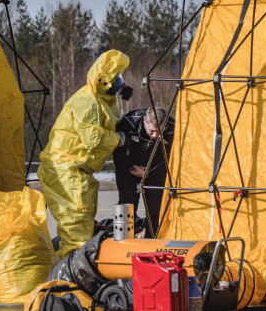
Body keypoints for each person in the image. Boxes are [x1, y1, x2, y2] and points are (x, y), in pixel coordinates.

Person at [38, 50, 133, 258]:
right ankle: (69, 283)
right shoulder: (87, 102)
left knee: (82, 227)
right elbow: (93, 138)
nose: (120, 82)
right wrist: (120, 139)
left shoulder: (101, 100)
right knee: (76, 233)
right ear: (105, 80)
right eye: (116, 78)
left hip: (76, 171)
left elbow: (107, 124)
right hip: (66, 170)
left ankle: (65, 268)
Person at [112, 106, 174, 238]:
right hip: (130, 169)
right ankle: (121, 238)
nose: (155, 136)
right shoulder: (129, 122)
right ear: (145, 120)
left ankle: (151, 237)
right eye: (152, 131)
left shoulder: (172, 127)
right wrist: (131, 169)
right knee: (126, 203)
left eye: (159, 132)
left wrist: (150, 172)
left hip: (156, 171)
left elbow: (173, 158)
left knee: (156, 209)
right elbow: (117, 153)